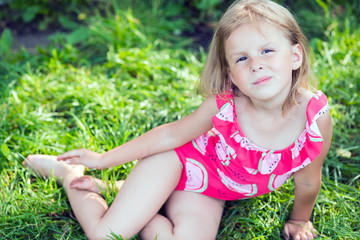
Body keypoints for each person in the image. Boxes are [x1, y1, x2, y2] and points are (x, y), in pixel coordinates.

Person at [24, 0, 333, 239]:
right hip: (178, 162)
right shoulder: (225, 106)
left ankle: (137, 197)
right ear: (230, 74)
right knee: (106, 234)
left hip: (206, 188)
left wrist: (299, 220)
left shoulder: (314, 119)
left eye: (267, 50)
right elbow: (171, 137)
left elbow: (307, 180)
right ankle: (71, 175)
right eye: (242, 58)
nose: (256, 64)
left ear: (295, 56)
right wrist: (103, 158)